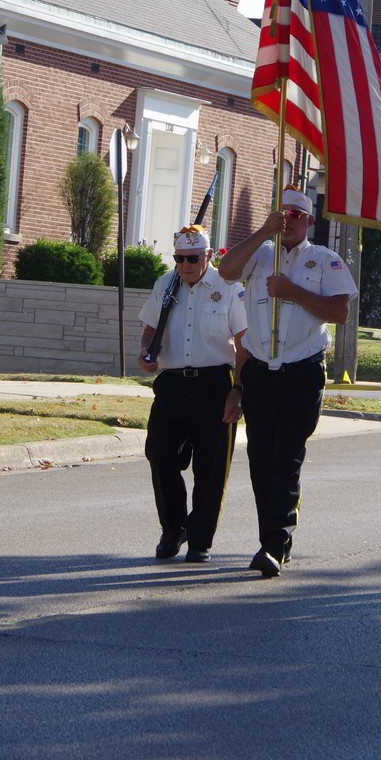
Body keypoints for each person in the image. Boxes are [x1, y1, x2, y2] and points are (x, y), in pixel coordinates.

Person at [218, 185, 358, 577]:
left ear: (310, 221)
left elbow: (339, 312)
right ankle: (272, 540)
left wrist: (291, 291)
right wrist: (263, 232)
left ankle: (275, 543)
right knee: (260, 459)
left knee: (286, 457)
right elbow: (227, 271)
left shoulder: (325, 260)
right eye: (282, 215)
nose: (288, 222)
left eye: (295, 216)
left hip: (302, 374)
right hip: (261, 374)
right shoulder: (259, 255)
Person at [137, 224, 247, 563]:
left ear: (209, 256)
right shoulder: (165, 284)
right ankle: (173, 528)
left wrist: (239, 389)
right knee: (160, 453)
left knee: (211, 467)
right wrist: (145, 353)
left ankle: (200, 539)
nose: (184, 265)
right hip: (172, 384)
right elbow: (150, 329)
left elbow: (244, 343)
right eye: (179, 259)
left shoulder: (229, 288)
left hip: (215, 384)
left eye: (192, 258)